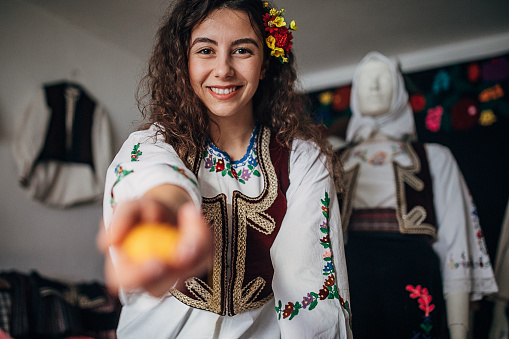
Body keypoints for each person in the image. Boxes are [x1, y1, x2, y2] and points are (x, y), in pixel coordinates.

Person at [97, 0, 352, 337]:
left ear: (264, 65)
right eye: (205, 50)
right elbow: (159, 179)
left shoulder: (302, 159)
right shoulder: (152, 146)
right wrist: (165, 212)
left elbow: (312, 287)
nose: (223, 69)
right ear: (183, 63)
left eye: (242, 50)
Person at [337, 51, 498, 339]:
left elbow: (456, 236)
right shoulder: (329, 160)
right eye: (365, 80)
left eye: (383, 79)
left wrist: (459, 329)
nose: (373, 87)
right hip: (350, 276)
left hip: (411, 272)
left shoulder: (434, 157)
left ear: (399, 89)